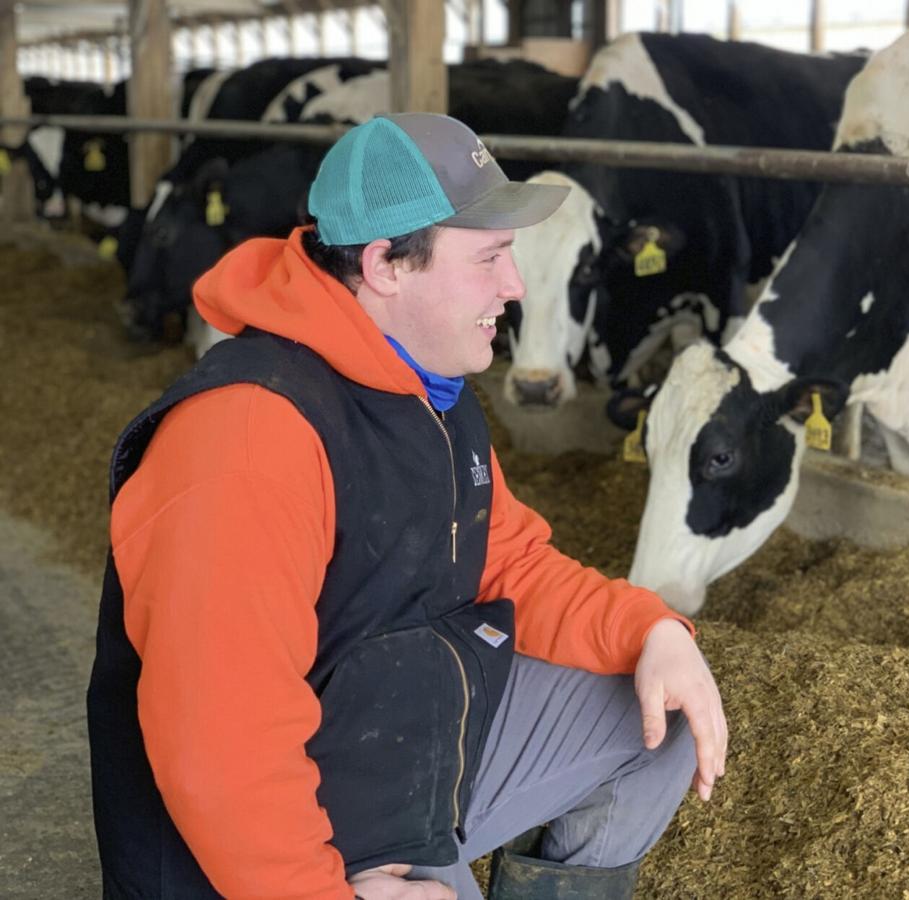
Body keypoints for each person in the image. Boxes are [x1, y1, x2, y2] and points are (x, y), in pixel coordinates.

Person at [87, 112, 727, 900]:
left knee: (653, 716)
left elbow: (510, 556)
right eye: (489, 258)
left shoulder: (425, 385)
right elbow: (220, 743)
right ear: (386, 263)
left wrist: (650, 627)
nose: (515, 287)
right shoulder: (246, 441)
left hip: (387, 740)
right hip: (251, 846)